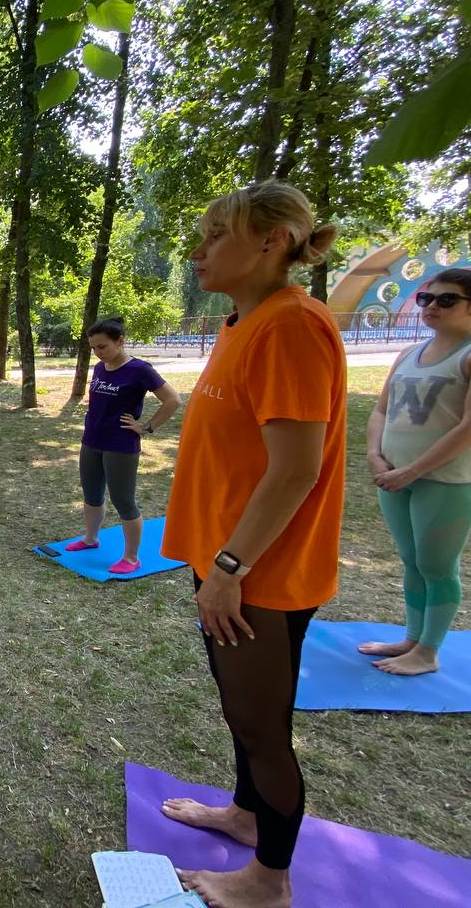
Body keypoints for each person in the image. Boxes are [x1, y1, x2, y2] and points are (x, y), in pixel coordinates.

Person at [159, 182, 343, 908]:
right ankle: (243, 815)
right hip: (226, 563)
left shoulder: (292, 325)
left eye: (214, 235)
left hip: (258, 575)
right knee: (242, 714)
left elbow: (298, 468)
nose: (198, 251)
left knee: (264, 730)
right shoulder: (246, 321)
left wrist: (231, 568)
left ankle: (270, 879)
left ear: (270, 242)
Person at [359, 267, 471, 676]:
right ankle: (412, 638)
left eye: (447, 299)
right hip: (394, 476)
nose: (432, 306)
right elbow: (381, 410)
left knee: (437, 565)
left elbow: (467, 428)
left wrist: (413, 470)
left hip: (445, 481)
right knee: (411, 560)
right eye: (426, 298)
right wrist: (375, 455)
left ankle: (428, 652)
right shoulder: (408, 353)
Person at [69, 316, 181, 575]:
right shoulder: (100, 368)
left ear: (120, 341)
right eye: (93, 348)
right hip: (92, 440)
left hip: (120, 444)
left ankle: (131, 558)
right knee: (92, 496)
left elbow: (173, 399)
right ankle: (90, 539)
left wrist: (147, 427)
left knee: (124, 501)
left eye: (103, 347)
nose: (98, 353)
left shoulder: (140, 369)